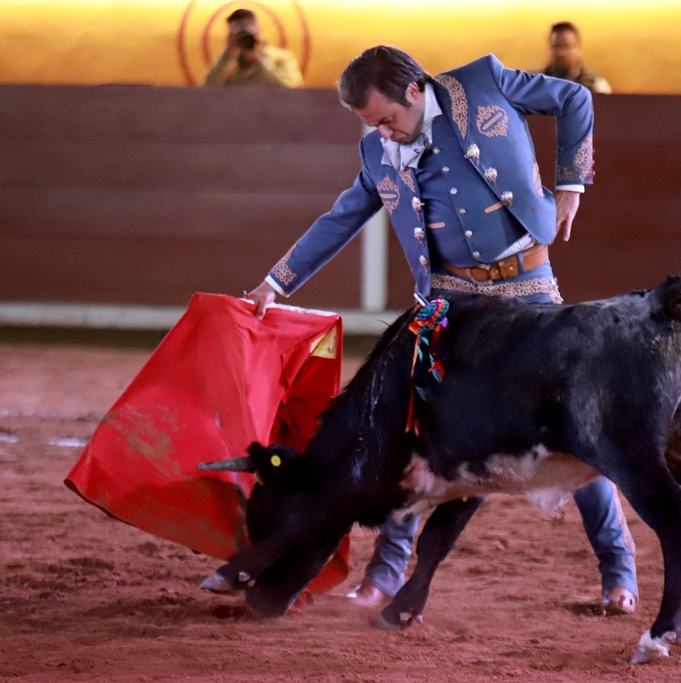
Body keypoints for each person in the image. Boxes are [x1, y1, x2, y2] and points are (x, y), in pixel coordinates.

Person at [245, 45, 638, 616]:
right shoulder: (376, 149)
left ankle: (618, 575)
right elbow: (341, 217)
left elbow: (574, 97)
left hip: (528, 286)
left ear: (412, 91)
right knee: (416, 437)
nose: (386, 134)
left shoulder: (483, 83)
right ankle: (384, 578)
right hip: (448, 300)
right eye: (373, 126)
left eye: (388, 120)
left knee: (575, 426)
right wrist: (275, 284)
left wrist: (572, 184)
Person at [204, 9, 304, 88]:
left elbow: (293, 91)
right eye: (238, 32)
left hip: (272, 111)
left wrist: (262, 62)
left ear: (259, 30)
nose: (244, 36)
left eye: (248, 30)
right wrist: (229, 53)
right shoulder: (228, 62)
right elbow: (210, 88)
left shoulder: (282, 58)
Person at [541, 22, 611, 94]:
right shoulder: (538, 82)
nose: (561, 53)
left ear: (579, 48)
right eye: (555, 46)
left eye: (566, 46)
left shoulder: (595, 84)